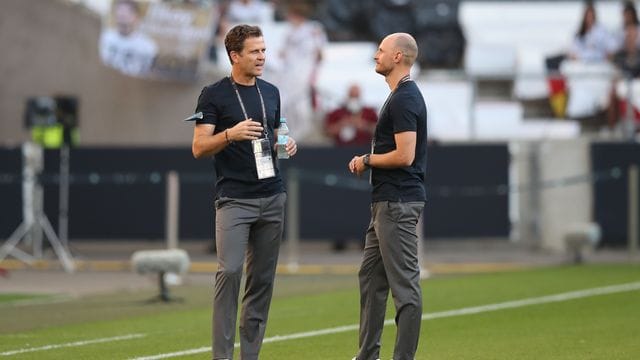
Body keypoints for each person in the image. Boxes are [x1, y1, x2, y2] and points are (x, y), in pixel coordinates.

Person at [190, 24, 297, 360]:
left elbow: (278, 134)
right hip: (235, 199)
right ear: (235, 56)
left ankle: (249, 355)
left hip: (272, 196)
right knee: (230, 272)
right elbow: (198, 147)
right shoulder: (214, 94)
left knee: (261, 283)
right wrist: (230, 134)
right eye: (255, 51)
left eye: (263, 50)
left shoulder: (272, 91)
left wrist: (286, 143)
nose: (262, 57)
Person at [348, 32, 427, 360]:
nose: (375, 55)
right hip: (386, 202)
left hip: (396, 201)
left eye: (381, 50)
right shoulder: (398, 96)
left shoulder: (405, 98)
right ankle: (367, 355)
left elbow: (405, 155)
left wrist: (366, 160)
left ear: (398, 57)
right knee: (369, 276)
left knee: (405, 288)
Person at [276, 2, 327, 142]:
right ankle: (283, 141)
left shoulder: (313, 28)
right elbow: (282, 54)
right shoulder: (289, 32)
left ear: (296, 15)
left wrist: (314, 70)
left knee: (301, 108)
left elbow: (320, 52)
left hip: (304, 72)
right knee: (283, 106)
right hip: (288, 75)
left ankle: (297, 139)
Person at [99, 0, 158, 77]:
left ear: (137, 16)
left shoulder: (147, 47)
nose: (122, 14)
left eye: (128, 11)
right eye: (119, 10)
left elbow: (149, 73)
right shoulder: (105, 38)